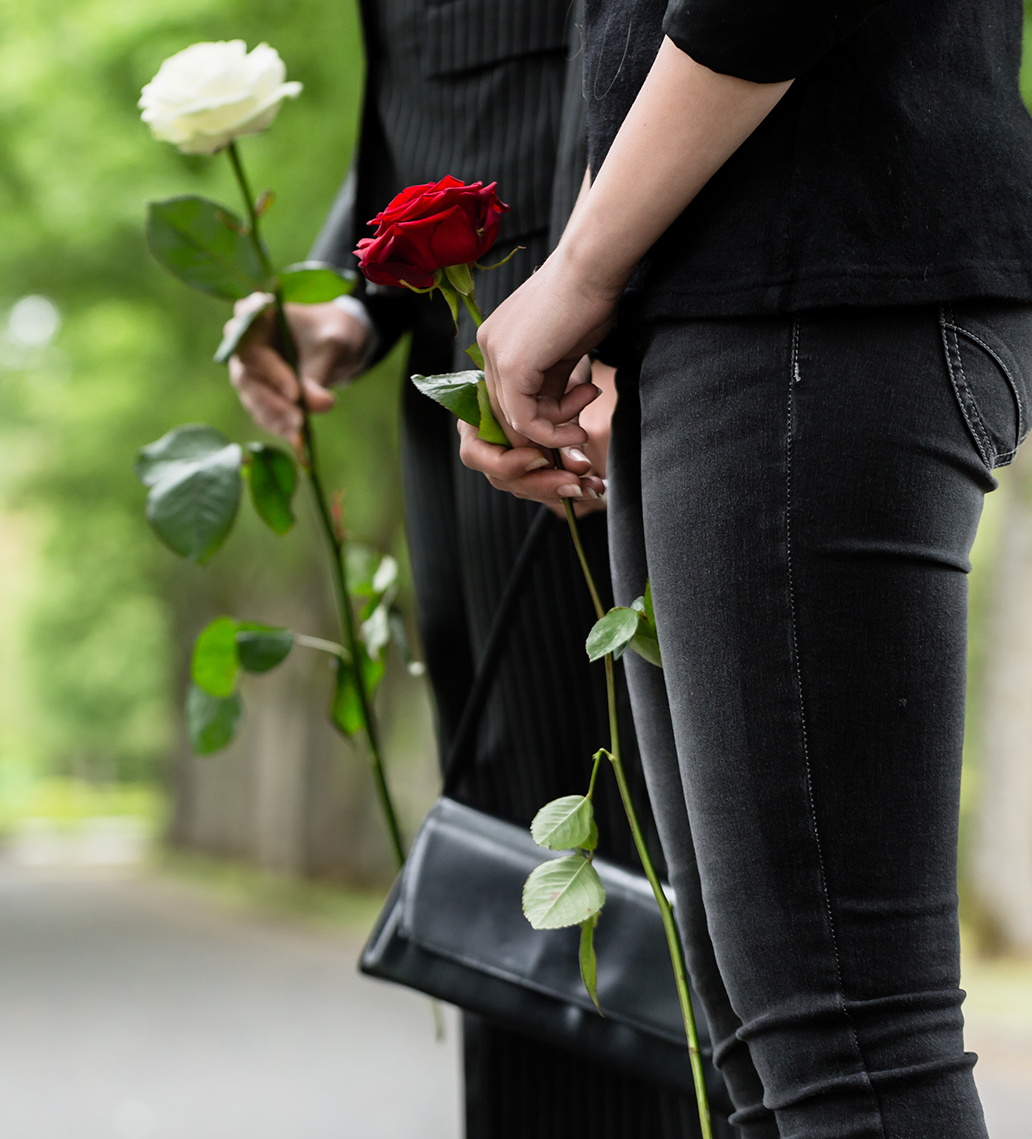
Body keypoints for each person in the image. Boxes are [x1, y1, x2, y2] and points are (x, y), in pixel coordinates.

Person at [462, 3, 1032, 1137]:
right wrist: (597, 295)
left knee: (842, 1045)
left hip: (814, 272)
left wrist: (584, 267)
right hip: (737, 292)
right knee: (765, 1048)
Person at [226, 3, 709, 1135]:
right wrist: (352, 290)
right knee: (519, 860)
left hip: (586, 358)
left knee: (634, 877)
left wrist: (605, 293)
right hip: (472, 363)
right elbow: (432, 88)